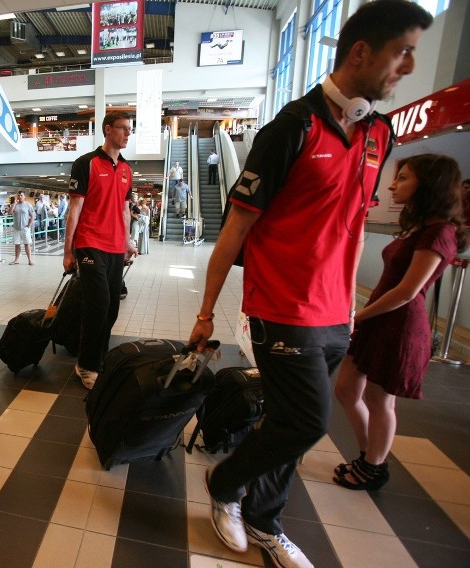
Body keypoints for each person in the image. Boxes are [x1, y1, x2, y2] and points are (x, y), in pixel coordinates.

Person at [187, 2, 432, 567]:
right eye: (402, 52)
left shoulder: (379, 133)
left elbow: (351, 228)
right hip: (280, 306)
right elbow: (234, 231)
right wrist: (205, 312)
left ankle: (266, 522)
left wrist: (348, 305)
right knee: (307, 420)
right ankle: (225, 484)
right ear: (361, 52)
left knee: (285, 424)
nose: (410, 67)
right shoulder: (291, 130)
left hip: (333, 313)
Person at [333, 154, 465, 490]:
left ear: (429, 184)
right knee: (347, 389)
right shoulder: (422, 228)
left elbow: (407, 292)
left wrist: (355, 317)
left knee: (380, 400)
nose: (392, 184)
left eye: (403, 177)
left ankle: (373, 465)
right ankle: (369, 456)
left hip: (399, 326)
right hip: (379, 320)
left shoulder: (439, 233)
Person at [63, 110, 138, 389]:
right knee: (99, 306)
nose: (127, 133)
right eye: (123, 128)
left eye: (130, 129)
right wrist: (68, 251)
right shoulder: (86, 163)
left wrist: (128, 242)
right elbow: (75, 210)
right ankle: (87, 365)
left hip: (115, 247)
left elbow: (124, 210)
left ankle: (94, 357)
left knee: (112, 309)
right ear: (108, 130)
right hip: (89, 243)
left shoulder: (127, 169)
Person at [9, 191, 34, 265]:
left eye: (21, 195)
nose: (20, 197)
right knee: (17, 244)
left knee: (27, 244)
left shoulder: (28, 205)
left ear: (24, 196)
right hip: (16, 228)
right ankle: (16, 260)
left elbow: (32, 216)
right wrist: (14, 204)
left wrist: (28, 226)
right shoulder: (15, 205)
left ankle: (30, 260)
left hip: (25, 228)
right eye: (19, 195)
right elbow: (9, 213)